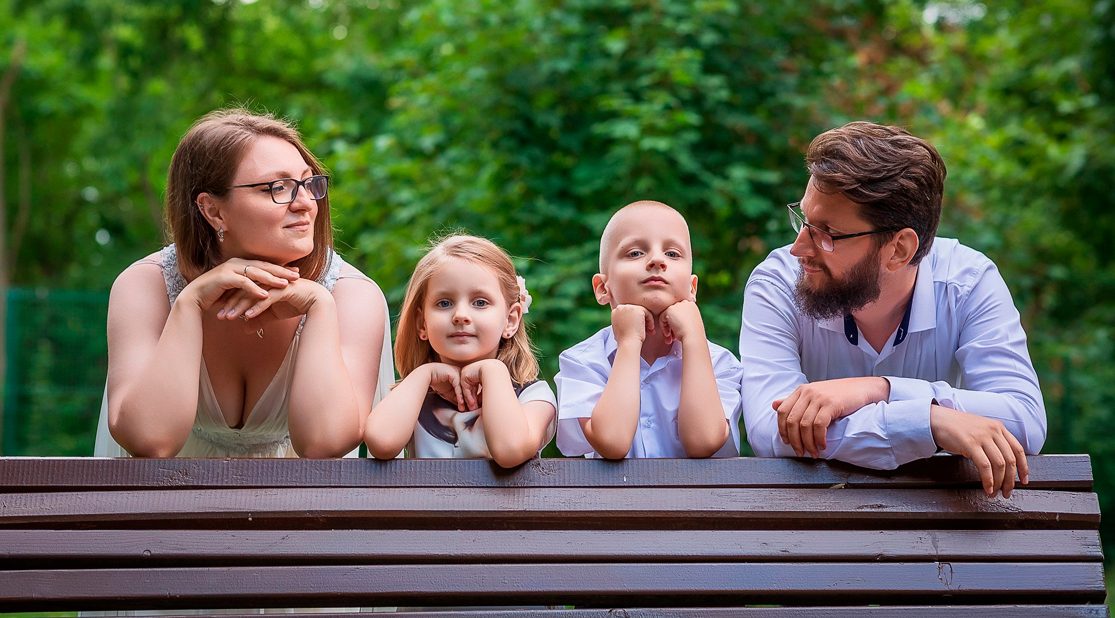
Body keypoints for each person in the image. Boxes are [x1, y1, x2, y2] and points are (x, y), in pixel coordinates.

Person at [740, 121, 1047, 498]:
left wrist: (880, 390)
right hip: (812, 529)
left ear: (899, 250)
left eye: (826, 234)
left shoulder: (968, 284)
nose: (799, 247)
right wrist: (929, 421)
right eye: (803, 219)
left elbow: (1025, 421)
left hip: (942, 534)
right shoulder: (777, 285)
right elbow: (773, 431)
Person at [93, 109, 394, 458]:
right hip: (172, 505)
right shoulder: (146, 285)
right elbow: (150, 441)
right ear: (213, 211)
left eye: (309, 183)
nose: (305, 204)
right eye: (277, 188)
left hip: (300, 509)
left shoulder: (351, 294)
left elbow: (324, 445)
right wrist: (189, 303)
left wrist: (319, 307)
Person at [555, 201, 743, 459]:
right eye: (634, 253)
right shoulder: (583, 362)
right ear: (602, 288)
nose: (656, 260)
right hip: (613, 500)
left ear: (692, 288)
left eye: (672, 254)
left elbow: (704, 442)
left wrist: (693, 338)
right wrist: (630, 342)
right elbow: (612, 442)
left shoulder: (720, 363)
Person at [363, 235, 557, 467]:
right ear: (422, 323)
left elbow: (510, 451)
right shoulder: (413, 395)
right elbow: (380, 443)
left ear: (510, 320)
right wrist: (424, 374)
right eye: (444, 303)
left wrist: (493, 371)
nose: (460, 315)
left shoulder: (534, 397)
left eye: (480, 302)